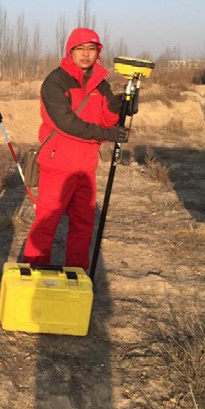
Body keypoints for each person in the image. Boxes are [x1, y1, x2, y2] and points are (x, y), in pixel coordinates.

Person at [23, 27, 128, 270]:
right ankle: (34, 274)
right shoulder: (55, 82)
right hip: (58, 164)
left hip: (86, 167)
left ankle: (77, 275)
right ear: (70, 51)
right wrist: (106, 135)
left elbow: (105, 121)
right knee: (46, 224)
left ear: (98, 53)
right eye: (80, 49)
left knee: (83, 225)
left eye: (91, 49)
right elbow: (66, 123)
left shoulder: (101, 83)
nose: (85, 54)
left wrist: (118, 107)